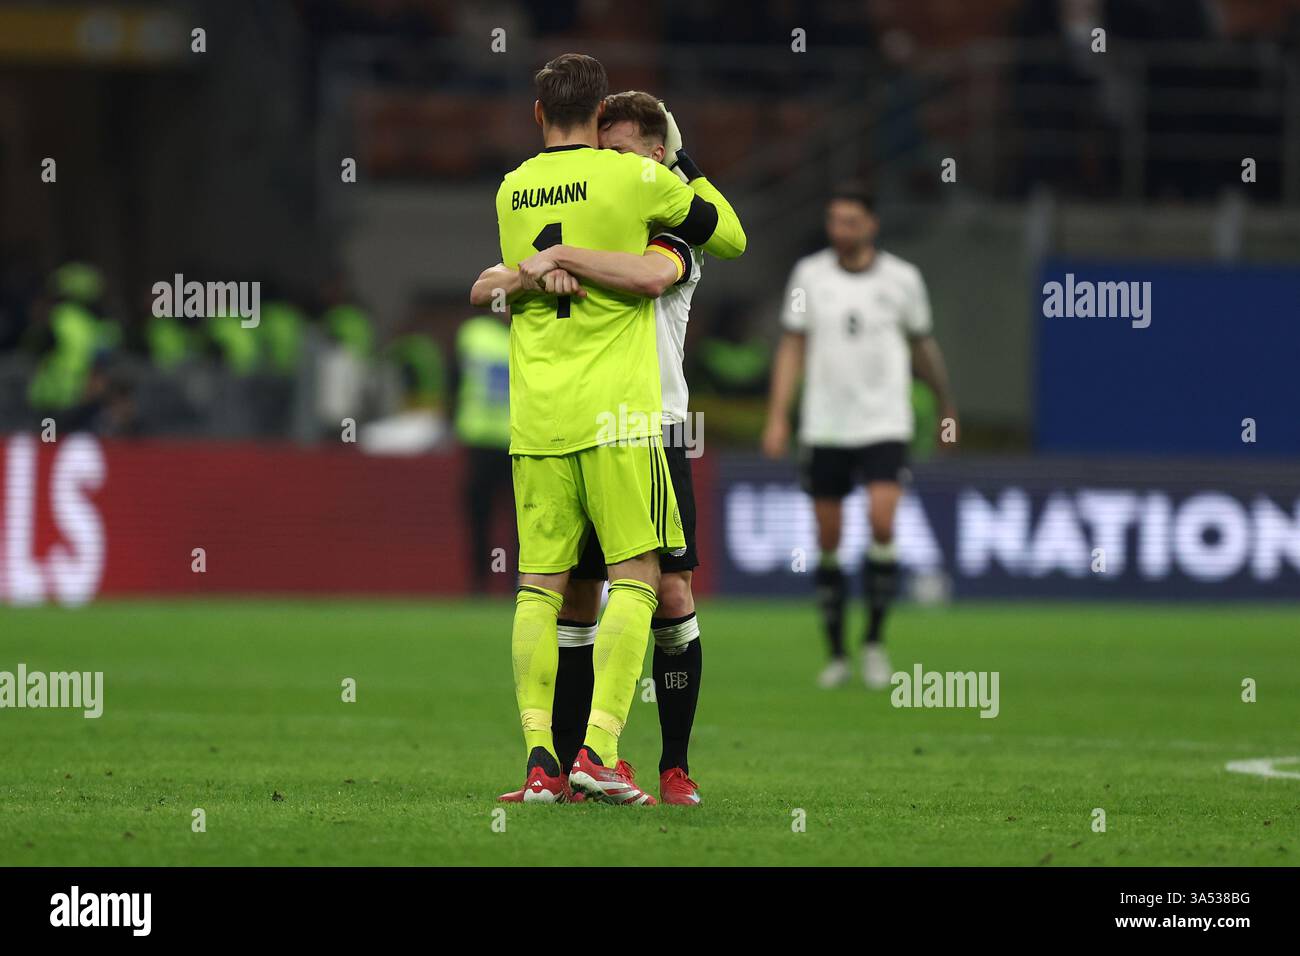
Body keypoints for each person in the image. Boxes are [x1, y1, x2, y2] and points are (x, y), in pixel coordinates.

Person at [472, 54, 744, 804]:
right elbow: (734, 234)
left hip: (568, 419)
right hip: (620, 419)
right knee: (613, 589)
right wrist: (546, 266)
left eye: (633, 147)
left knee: (590, 588)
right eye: (611, 141)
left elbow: (648, 273)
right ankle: (579, 756)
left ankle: (656, 763)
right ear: (596, 126)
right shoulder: (631, 189)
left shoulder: (514, 191)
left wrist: (551, 260)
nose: (619, 155)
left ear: (537, 113)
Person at [762, 184, 955, 689]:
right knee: (829, 539)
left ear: (871, 224)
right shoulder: (810, 275)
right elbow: (792, 347)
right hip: (825, 424)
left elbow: (922, 347)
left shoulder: (902, 279)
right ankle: (836, 653)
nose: (840, 230)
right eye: (834, 220)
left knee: (882, 520)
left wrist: (944, 403)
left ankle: (873, 642)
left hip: (884, 422)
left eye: (849, 221)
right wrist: (778, 416)